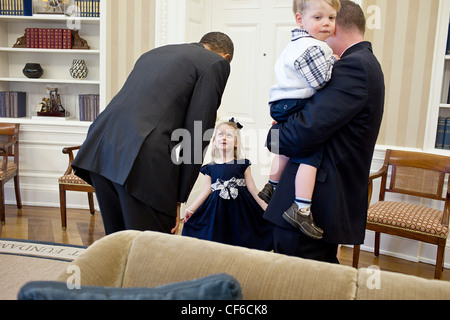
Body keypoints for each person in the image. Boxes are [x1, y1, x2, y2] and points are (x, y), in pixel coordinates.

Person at [72, 32, 234, 236]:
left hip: (101, 147)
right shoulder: (216, 63)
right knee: (151, 249)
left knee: (118, 241)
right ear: (226, 57)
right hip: (143, 160)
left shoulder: (154, 53)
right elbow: (197, 133)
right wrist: (178, 197)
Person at [264, 0, 385, 263]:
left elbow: (303, 131)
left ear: (334, 25)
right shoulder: (362, 64)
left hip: (316, 203)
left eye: (325, 21)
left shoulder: (353, 68)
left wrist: (273, 135)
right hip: (321, 200)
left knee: (299, 281)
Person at [259, 0, 341, 241]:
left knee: (287, 146)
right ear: (300, 20)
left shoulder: (295, 44)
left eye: (331, 18)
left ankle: (272, 185)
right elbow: (320, 82)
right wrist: (335, 62)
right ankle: (301, 208)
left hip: (281, 104)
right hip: (295, 103)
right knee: (310, 153)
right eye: (318, 18)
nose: (326, 23)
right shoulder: (313, 47)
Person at [182, 120, 273, 251]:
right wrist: (191, 209)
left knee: (240, 235)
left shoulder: (243, 164)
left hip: (240, 209)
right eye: (220, 134)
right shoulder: (210, 167)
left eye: (229, 135)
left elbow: (252, 189)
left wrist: (267, 208)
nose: (224, 137)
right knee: (218, 236)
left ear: (236, 143)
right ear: (214, 142)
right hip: (217, 210)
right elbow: (206, 191)